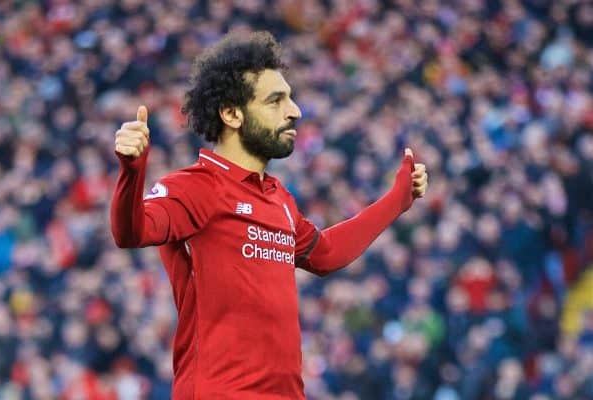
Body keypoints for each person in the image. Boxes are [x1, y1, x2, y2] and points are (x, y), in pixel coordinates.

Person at [111, 31, 428, 399]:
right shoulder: (194, 188)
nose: (294, 111)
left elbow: (325, 254)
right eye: (276, 101)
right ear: (231, 114)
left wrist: (398, 199)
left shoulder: (277, 198)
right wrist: (132, 173)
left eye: (290, 98)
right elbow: (131, 232)